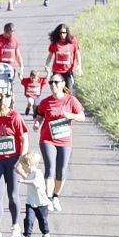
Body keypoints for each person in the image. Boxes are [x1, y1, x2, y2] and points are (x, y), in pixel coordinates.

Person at [34, 73, 87, 206]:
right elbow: (40, 115)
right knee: (50, 169)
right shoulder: (45, 102)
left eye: (56, 82)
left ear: (63, 84)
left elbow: (82, 117)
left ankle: (55, 197)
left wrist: (70, 115)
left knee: (61, 171)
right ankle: (47, 199)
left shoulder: (71, 100)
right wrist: (37, 123)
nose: (53, 85)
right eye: (51, 82)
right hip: (47, 139)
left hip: (64, 140)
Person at [0, 88, 30, 237]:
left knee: (13, 195)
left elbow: (24, 138)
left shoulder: (14, 117)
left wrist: (21, 160)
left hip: (13, 160)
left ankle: (15, 227)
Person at [16, 149, 53, 237]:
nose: (22, 167)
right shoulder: (30, 173)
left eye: (23, 166)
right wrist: (21, 174)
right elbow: (28, 178)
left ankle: (46, 234)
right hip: (30, 202)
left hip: (41, 203)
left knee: (42, 221)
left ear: (28, 164)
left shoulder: (38, 173)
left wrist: (23, 181)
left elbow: (34, 182)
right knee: (28, 219)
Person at [46, 24, 81, 95]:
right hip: (57, 71)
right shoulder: (55, 42)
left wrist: (79, 65)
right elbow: (50, 56)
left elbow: (77, 54)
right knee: (58, 91)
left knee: (69, 91)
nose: (62, 35)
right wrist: (46, 65)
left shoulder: (73, 40)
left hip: (68, 72)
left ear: (67, 33)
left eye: (64, 33)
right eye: (60, 33)